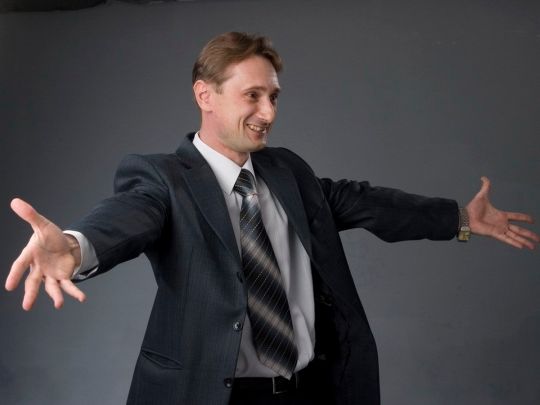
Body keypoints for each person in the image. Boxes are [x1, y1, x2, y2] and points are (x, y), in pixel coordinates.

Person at [5, 32, 539, 405]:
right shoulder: (163, 179)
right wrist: (74, 246)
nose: (269, 113)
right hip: (213, 396)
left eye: (274, 97)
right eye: (253, 96)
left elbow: (364, 201)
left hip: (309, 392)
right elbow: (129, 216)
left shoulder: (287, 172)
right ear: (205, 95)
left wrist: (459, 218)